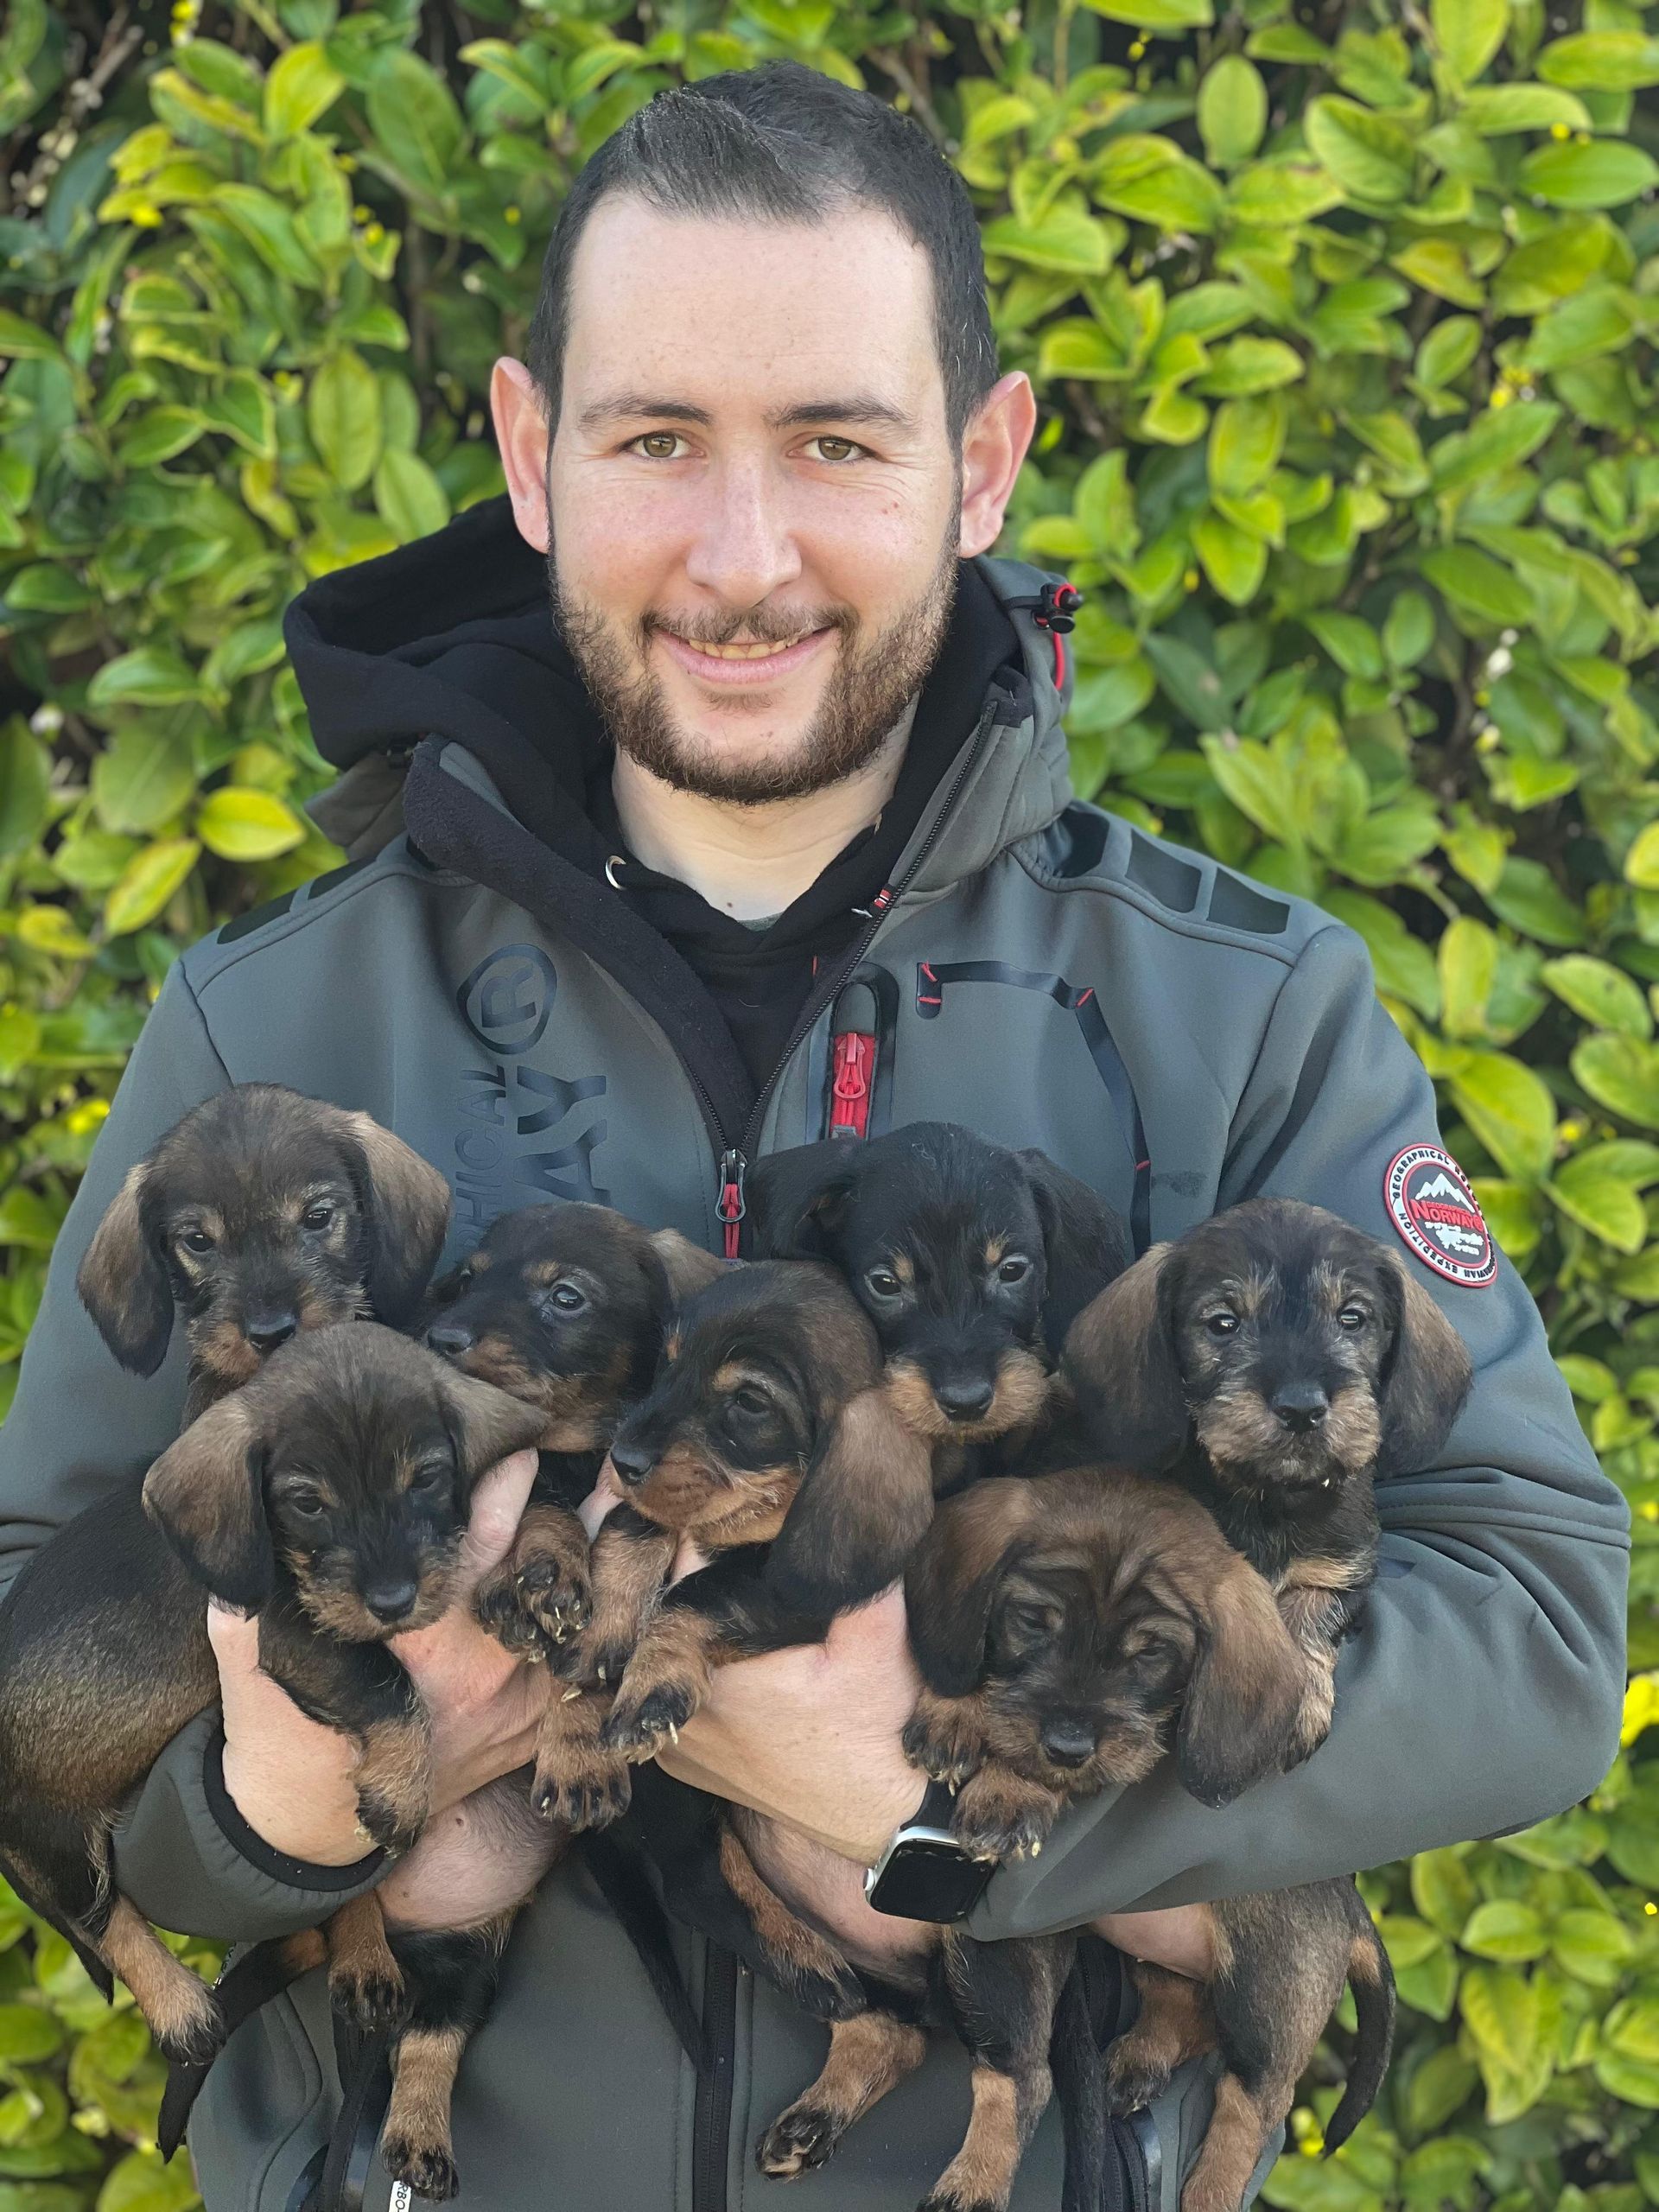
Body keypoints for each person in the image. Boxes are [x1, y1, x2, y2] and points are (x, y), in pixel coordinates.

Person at [0, 60, 1628, 2212]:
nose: (742, 556)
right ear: (527, 453)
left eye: (837, 444)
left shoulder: (1242, 1005)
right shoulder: (271, 1021)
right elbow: (45, 1652)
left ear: (981, 459)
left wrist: (949, 1799)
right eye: (655, 436)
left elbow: (1533, 1629)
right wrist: (279, 1816)